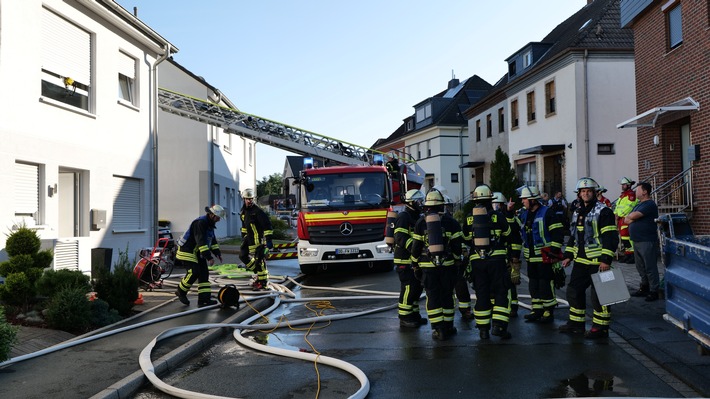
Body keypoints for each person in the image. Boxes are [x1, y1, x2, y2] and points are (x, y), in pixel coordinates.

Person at [559, 177, 619, 339]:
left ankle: (601, 328)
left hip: (599, 262)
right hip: (581, 261)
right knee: (573, 291)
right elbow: (574, 236)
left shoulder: (604, 211)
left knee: (601, 295)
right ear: (579, 194)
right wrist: (568, 255)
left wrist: (606, 259)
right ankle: (576, 323)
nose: (585, 194)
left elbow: (610, 237)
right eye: (583, 191)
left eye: (589, 191)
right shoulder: (578, 212)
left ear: (595, 193)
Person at [410, 188, 464, 341]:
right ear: (441, 205)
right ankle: (448, 326)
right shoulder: (451, 222)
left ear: (427, 206)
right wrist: (456, 261)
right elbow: (457, 247)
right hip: (447, 266)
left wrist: (415, 264)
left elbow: (416, 247)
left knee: (432, 297)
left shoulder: (420, 222)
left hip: (428, 268)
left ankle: (438, 329)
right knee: (447, 295)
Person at [466, 184, 518, 340]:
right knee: (501, 292)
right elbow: (509, 235)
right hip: (497, 260)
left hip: (477, 262)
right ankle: (499, 327)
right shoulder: (498, 216)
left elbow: (466, 239)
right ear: (490, 199)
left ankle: (483, 330)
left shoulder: (469, 218)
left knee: (482, 294)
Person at [517, 185, 565, 324]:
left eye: (524, 199)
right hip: (531, 257)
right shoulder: (525, 213)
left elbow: (557, 234)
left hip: (545, 257)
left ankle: (548, 311)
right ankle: (537, 309)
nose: (522, 201)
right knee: (533, 284)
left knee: (545, 284)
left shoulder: (547, 213)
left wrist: (554, 252)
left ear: (532, 200)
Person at [175, 205, 225, 307]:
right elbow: (201, 241)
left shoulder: (210, 224)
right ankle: (181, 291)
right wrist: (209, 257)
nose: (219, 220)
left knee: (204, 274)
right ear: (212, 215)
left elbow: (212, 240)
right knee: (194, 271)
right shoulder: (200, 223)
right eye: (218, 217)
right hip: (187, 250)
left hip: (197, 251)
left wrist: (217, 253)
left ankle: (204, 300)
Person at [394, 189, 428, 328]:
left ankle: (414, 315)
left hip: (414, 260)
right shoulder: (404, 216)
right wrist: (415, 249)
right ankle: (404, 317)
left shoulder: (417, 216)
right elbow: (400, 237)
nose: (421, 204)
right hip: (404, 260)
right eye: (419, 201)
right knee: (408, 288)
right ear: (411, 202)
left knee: (416, 289)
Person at [624, 182, 660, 301]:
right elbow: (626, 219)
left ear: (645, 192)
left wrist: (632, 218)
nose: (636, 191)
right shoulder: (639, 204)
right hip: (637, 240)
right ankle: (644, 287)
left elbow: (632, 216)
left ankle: (654, 291)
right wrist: (631, 217)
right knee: (640, 267)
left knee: (650, 266)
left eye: (638, 189)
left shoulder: (649, 204)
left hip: (647, 240)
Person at [493, 192, 523, 317]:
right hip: (497, 257)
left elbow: (516, 240)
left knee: (510, 284)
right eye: (494, 204)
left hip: (509, 256)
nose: (495, 207)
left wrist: (515, 258)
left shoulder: (511, 218)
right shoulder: (493, 218)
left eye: (498, 205)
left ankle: (513, 307)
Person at [239, 188, 274, 290]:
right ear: (244, 199)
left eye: (251, 199)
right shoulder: (243, 212)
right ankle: (257, 272)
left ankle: (263, 282)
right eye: (247, 199)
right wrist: (243, 237)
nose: (249, 201)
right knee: (242, 256)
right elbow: (244, 227)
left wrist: (268, 240)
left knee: (260, 261)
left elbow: (267, 226)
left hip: (258, 240)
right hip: (248, 239)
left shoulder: (258, 212)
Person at [614, 177, 638, 264]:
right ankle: (628, 254)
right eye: (622, 185)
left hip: (627, 218)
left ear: (628, 185)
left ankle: (633, 255)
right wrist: (615, 213)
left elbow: (629, 207)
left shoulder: (631, 195)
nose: (622, 186)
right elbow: (617, 206)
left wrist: (619, 214)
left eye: (624, 185)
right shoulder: (622, 195)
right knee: (624, 237)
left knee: (627, 236)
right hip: (621, 218)